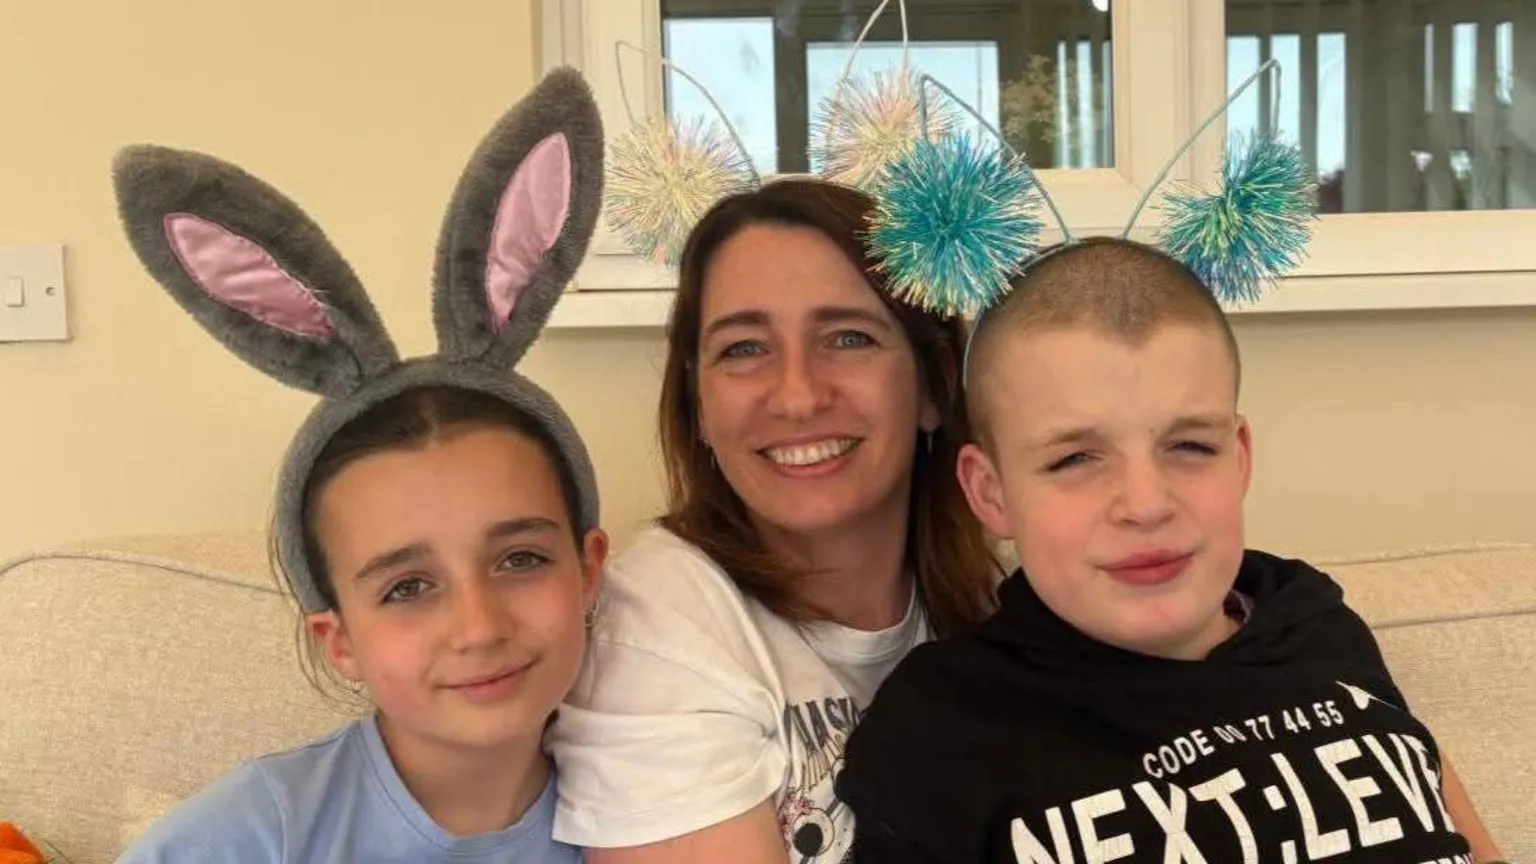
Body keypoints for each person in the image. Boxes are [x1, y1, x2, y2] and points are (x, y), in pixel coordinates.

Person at [835, 236, 1503, 862]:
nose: (1147, 504)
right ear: (993, 492)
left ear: (1238, 458)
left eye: (1189, 446)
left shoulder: (1315, 623)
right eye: (1075, 459)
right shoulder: (943, 727)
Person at [111, 67, 611, 862]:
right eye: (407, 587)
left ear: (589, 569)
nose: (479, 627)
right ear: (338, 636)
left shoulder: (660, 804)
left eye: (520, 558)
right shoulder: (245, 840)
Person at [548, 178, 1002, 863]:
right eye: (744, 349)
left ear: (933, 384)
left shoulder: (1002, 591)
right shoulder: (652, 629)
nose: (796, 396)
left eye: (848, 337)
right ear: (698, 404)